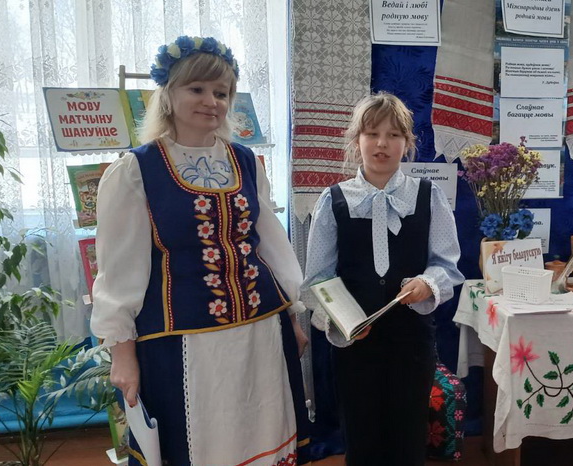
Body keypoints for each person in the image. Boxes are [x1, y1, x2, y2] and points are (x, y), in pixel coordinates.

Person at [90, 36, 312, 465]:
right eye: (197, 89)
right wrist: (122, 354)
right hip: (185, 344)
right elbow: (119, 273)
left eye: (222, 93)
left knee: (264, 434)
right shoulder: (135, 170)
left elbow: (271, 248)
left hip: (262, 335)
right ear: (168, 94)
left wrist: (292, 317)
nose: (211, 101)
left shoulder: (246, 161)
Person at [303, 92, 463, 465]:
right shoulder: (334, 200)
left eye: (393, 135)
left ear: (407, 143)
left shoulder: (428, 196)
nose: (382, 144)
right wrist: (339, 321)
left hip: (411, 341)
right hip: (355, 344)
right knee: (361, 432)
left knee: (408, 431)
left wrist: (427, 283)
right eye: (372, 133)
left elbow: (446, 263)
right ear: (356, 140)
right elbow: (317, 280)